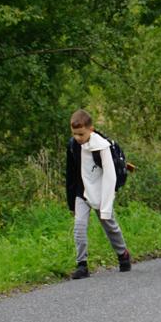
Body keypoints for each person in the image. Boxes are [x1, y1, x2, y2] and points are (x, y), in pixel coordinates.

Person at [65, 109, 132, 279]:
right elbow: (70, 175)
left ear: (91, 129)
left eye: (81, 134)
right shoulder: (73, 146)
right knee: (79, 226)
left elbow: (110, 176)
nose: (78, 138)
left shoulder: (102, 147)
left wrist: (107, 203)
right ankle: (82, 264)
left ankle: (122, 254)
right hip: (82, 192)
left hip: (102, 190)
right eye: (74, 134)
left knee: (109, 224)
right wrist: (71, 202)